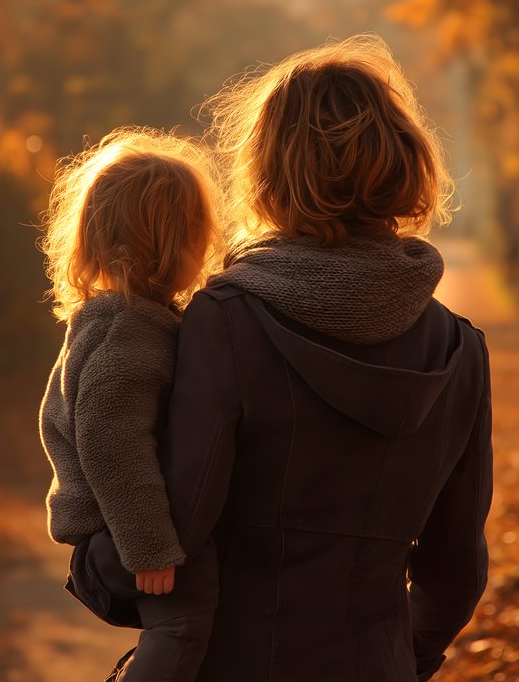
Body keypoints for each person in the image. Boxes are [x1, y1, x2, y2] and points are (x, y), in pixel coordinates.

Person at [160, 36, 493, 682]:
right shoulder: (459, 349)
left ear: (268, 172)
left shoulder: (224, 321)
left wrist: (91, 565)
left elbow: (176, 534)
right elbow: (454, 574)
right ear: (405, 162)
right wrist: (402, 656)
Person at [39, 128, 221, 682]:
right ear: (171, 244)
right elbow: (110, 438)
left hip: (113, 526)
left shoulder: (120, 314)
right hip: (118, 532)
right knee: (182, 625)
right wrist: (149, 548)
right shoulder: (133, 327)